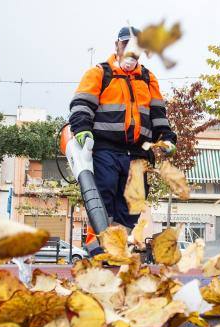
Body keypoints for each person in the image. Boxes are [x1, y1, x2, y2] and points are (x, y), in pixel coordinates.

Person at [68, 26, 177, 253]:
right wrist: (81, 129)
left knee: (132, 205)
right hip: (105, 148)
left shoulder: (148, 79)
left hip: (138, 152)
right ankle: (99, 245)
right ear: (116, 45)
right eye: (125, 44)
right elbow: (81, 105)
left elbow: (158, 114)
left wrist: (167, 137)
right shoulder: (99, 73)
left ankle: (115, 248)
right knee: (104, 194)